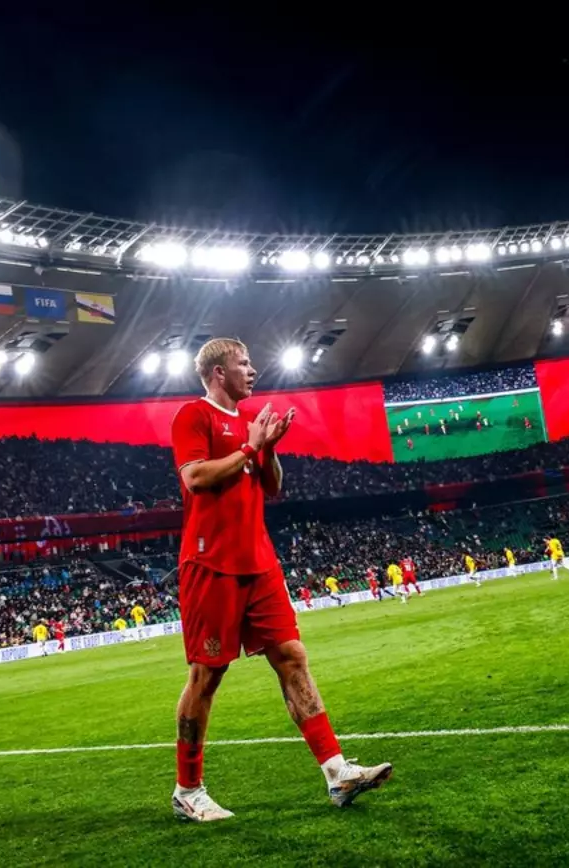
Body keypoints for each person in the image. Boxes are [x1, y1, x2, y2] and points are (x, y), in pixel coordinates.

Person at [169, 338, 391, 822]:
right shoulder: (194, 415)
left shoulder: (250, 424)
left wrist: (266, 448)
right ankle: (188, 789)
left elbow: (272, 485)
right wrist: (250, 445)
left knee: (292, 656)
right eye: (243, 363)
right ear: (218, 372)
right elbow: (196, 478)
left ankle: (337, 772)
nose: (253, 370)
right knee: (207, 676)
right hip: (211, 565)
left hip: (259, 562)